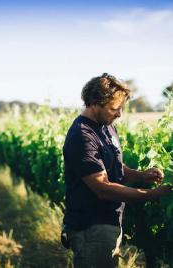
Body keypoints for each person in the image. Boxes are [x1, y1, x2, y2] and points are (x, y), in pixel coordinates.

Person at [62, 73, 172, 268]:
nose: (119, 114)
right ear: (95, 103)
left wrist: (141, 175)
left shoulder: (106, 126)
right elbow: (102, 188)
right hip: (91, 227)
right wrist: (153, 194)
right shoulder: (82, 135)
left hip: (109, 221)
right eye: (115, 108)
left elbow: (112, 164)